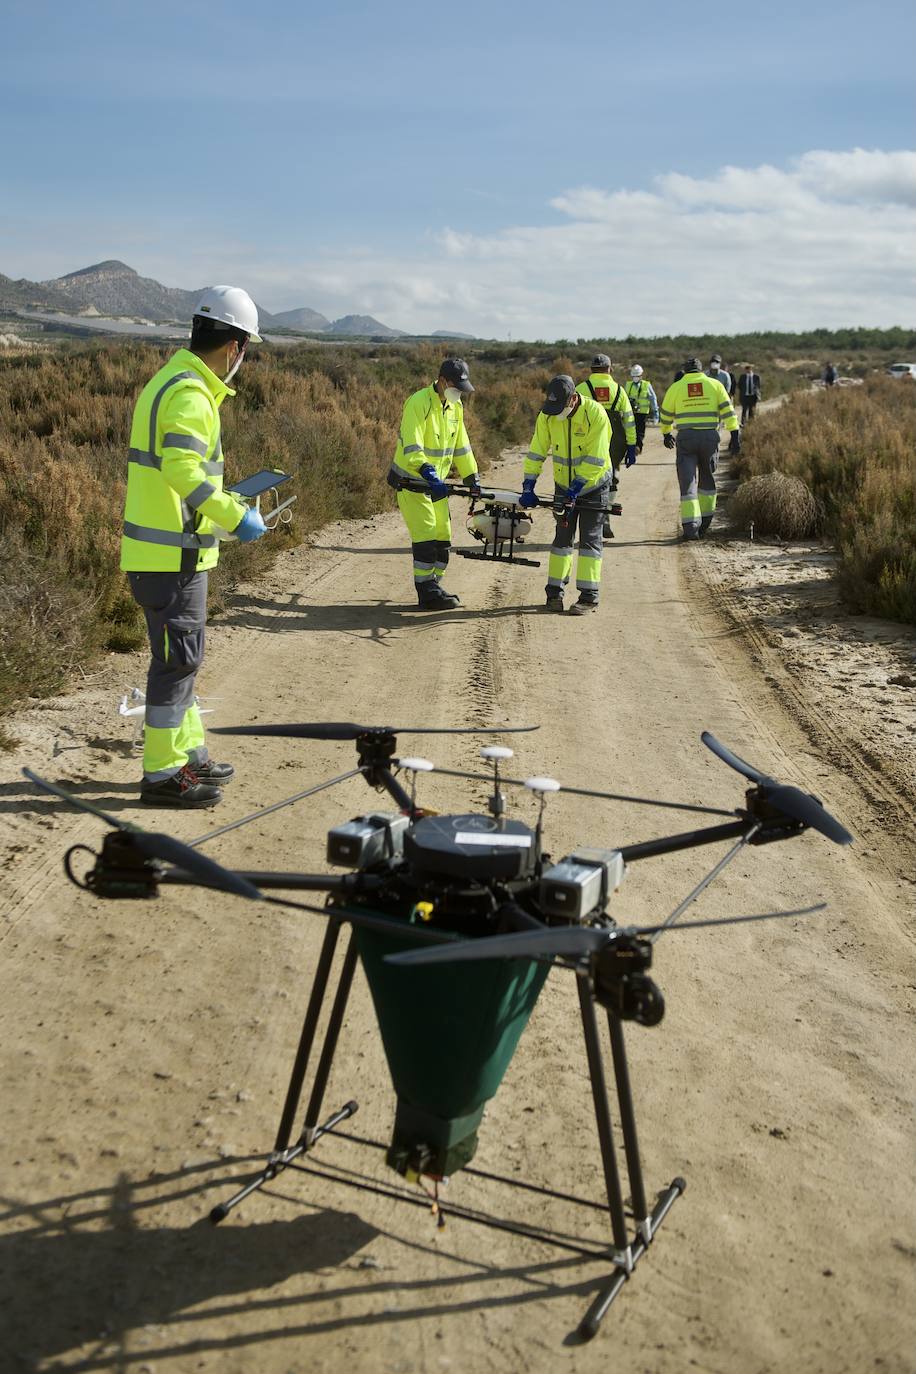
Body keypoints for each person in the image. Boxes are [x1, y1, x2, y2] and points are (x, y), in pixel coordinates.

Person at [121, 285, 267, 809]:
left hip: (169, 554)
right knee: (176, 664)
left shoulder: (177, 382)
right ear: (235, 347)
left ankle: (188, 756)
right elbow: (180, 469)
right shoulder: (190, 393)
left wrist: (226, 501)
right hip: (171, 558)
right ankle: (162, 776)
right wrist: (235, 516)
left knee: (183, 659)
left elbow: (183, 475)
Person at [387, 359, 480, 610]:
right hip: (413, 481)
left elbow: (461, 444)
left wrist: (471, 475)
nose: (459, 392)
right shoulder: (418, 403)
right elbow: (412, 444)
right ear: (442, 381)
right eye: (456, 386)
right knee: (426, 535)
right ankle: (426, 593)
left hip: (436, 485)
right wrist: (427, 471)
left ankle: (434, 586)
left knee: (442, 539)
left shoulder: (455, 406)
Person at [518, 374, 613, 614]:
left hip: (594, 486)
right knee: (562, 540)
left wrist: (577, 487)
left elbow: (597, 459)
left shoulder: (596, 415)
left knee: (590, 540)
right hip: (564, 486)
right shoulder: (548, 414)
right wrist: (529, 483)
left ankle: (588, 597)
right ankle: (554, 594)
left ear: (573, 399)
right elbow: (537, 449)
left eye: (560, 407)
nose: (555, 412)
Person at [659, 356, 740, 541]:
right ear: (701, 369)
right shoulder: (715, 385)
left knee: (688, 484)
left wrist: (666, 433)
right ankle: (704, 523)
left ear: (685, 370)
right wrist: (734, 435)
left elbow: (665, 414)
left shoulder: (677, 387)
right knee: (708, 481)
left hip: (686, 439)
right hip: (709, 439)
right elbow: (729, 410)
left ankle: (690, 528)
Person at [625, 364, 659, 454]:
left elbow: (653, 398)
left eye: (637, 376)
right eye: (634, 376)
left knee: (640, 432)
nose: (635, 378)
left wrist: (655, 412)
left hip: (642, 413)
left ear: (641, 376)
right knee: (630, 431)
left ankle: (637, 448)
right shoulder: (628, 385)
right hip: (630, 412)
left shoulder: (646, 385)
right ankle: (631, 448)